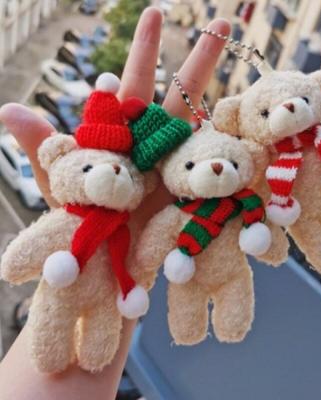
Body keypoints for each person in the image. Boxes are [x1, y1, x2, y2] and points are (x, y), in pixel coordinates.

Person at [0, 7, 230, 399]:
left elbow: (134, 259)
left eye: (123, 172)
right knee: (54, 328)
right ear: (62, 161)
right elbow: (32, 248)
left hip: (108, 292)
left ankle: (93, 352)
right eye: (93, 168)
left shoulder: (125, 227)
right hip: (67, 288)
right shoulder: (69, 221)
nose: (110, 176)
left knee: (100, 337)